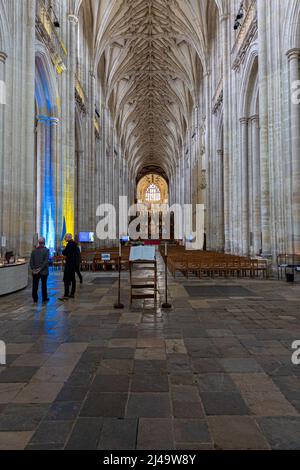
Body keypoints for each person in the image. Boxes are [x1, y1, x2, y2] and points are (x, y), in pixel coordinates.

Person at [30, 237, 49, 303]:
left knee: (35, 285)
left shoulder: (34, 250)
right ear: (44, 242)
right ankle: (44, 298)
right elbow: (46, 261)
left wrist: (33, 269)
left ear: (39, 242)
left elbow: (31, 261)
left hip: (35, 271)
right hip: (43, 271)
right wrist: (40, 268)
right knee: (44, 285)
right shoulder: (46, 250)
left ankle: (35, 299)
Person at [59, 233, 77, 301]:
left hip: (69, 264)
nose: (64, 238)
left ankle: (66, 295)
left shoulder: (70, 244)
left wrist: (63, 249)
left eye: (65, 237)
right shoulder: (74, 243)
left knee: (66, 279)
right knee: (73, 279)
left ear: (68, 237)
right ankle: (72, 293)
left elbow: (65, 252)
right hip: (73, 264)